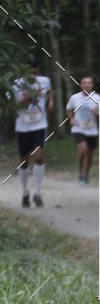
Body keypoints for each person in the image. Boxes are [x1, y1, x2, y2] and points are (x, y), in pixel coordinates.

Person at [11, 61, 53, 207]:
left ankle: (37, 193)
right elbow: (11, 104)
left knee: (39, 156)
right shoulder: (16, 84)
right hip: (22, 127)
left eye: (35, 73)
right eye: (30, 73)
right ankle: (25, 192)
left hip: (39, 125)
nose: (33, 76)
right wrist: (25, 99)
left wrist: (50, 102)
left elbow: (49, 91)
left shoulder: (44, 81)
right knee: (24, 161)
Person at [66, 76, 100, 185]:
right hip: (78, 128)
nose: (87, 84)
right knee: (83, 150)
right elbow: (69, 109)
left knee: (90, 154)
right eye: (84, 83)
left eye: (89, 83)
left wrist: (95, 112)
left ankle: (86, 176)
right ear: (81, 85)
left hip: (92, 130)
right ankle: (79, 172)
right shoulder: (74, 98)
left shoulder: (97, 97)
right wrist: (72, 118)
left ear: (92, 85)